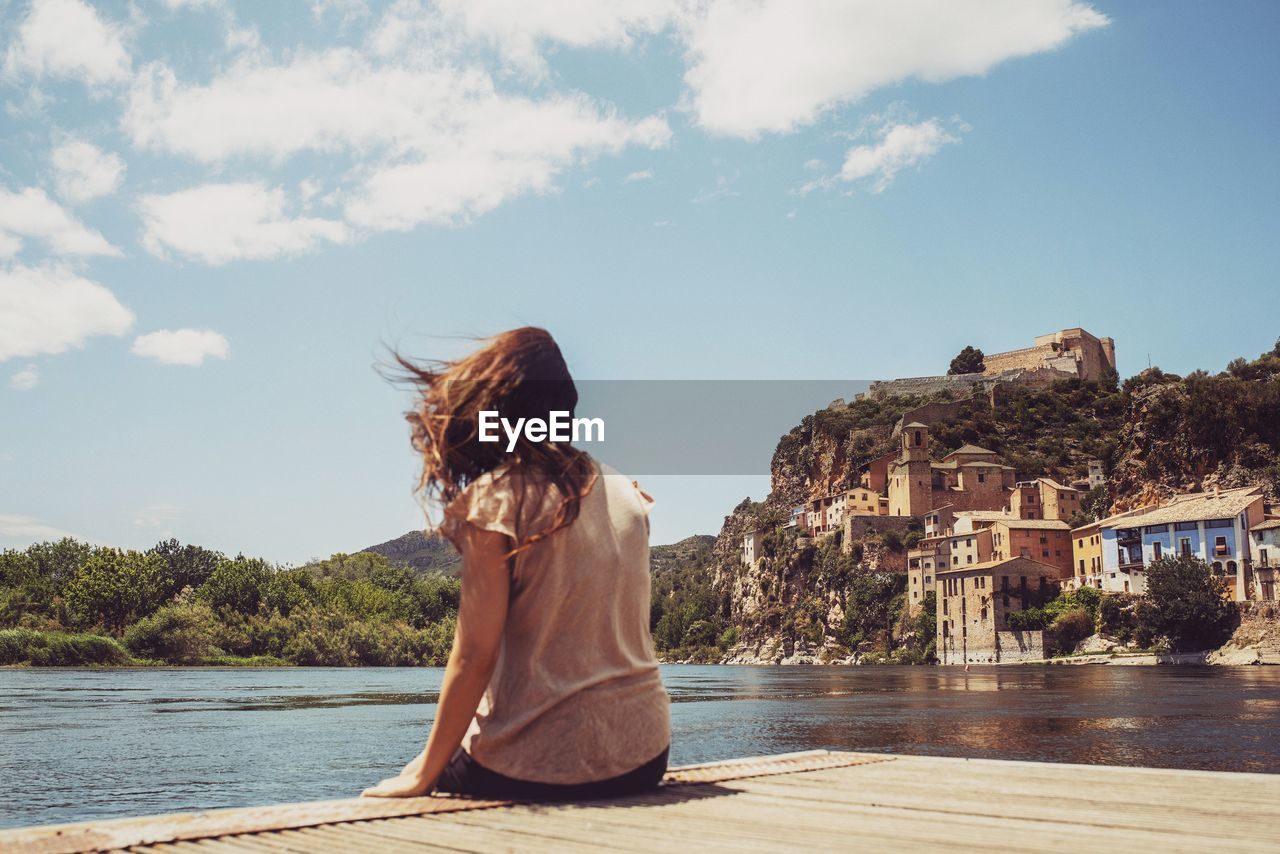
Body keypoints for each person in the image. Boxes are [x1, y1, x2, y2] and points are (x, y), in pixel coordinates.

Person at [362, 327, 670, 800]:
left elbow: (473, 656)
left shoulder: (496, 500)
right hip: (643, 756)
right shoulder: (629, 492)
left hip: (536, 764)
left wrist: (424, 775)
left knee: (419, 770)